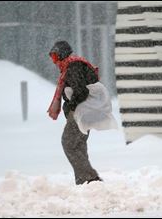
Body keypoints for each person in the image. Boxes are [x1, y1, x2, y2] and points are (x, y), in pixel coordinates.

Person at [47, 41, 117, 185]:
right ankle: (85, 180)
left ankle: (89, 178)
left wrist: (71, 107)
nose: (54, 61)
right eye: (52, 58)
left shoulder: (72, 67)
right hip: (87, 110)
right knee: (78, 145)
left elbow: (81, 92)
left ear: (62, 54)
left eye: (55, 57)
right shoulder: (73, 65)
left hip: (83, 111)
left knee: (69, 143)